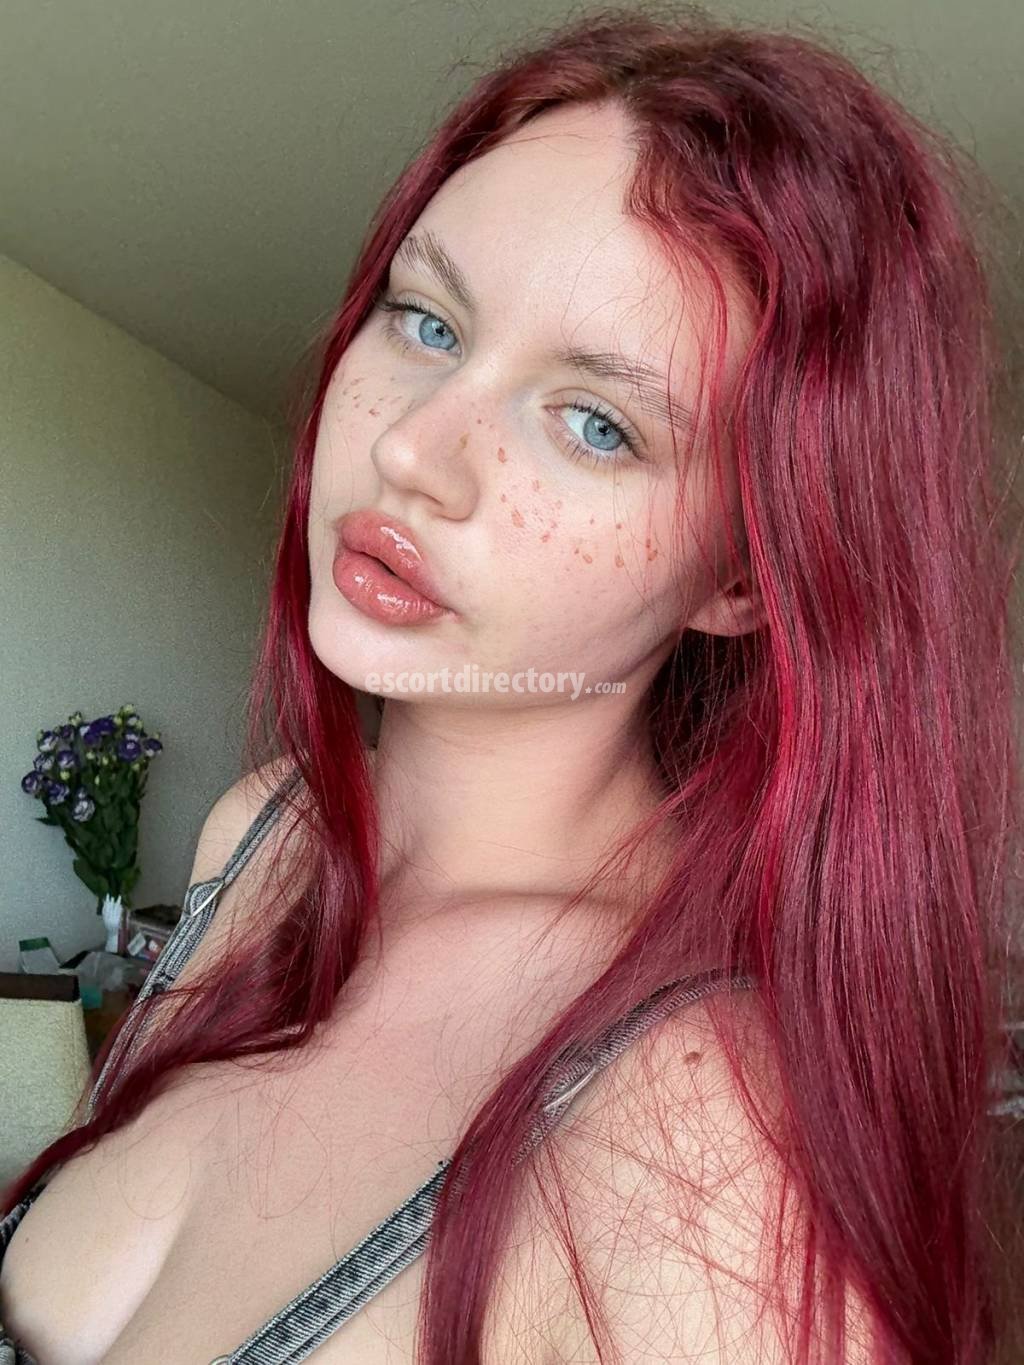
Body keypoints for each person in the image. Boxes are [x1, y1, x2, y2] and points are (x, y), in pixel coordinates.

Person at [2, 7, 1022, 1363]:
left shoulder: (707, 1149)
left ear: (742, 577)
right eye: (426, 321)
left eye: (595, 422)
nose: (415, 452)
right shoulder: (263, 830)